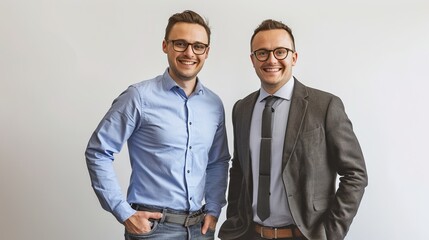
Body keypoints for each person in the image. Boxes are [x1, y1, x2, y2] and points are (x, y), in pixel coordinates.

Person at [85, 10, 230, 240]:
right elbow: (98, 151)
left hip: (200, 229)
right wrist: (123, 212)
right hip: (154, 230)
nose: (189, 53)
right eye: (180, 44)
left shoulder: (214, 104)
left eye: (198, 46)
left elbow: (218, 161)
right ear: (165, 46)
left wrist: (214, 209)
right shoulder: (139, 97)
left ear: (207, 51)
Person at [219, 19, 368, 240]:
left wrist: (330, 233)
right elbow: (239, 169)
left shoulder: (325, 106)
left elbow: (355, 173)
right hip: (250, 234)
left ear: (294, 57)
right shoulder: (241, 108)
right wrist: (234, 220)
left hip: (305, 235)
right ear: (252, 59)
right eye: (262, 53)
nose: (271, 60)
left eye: (280, 52)